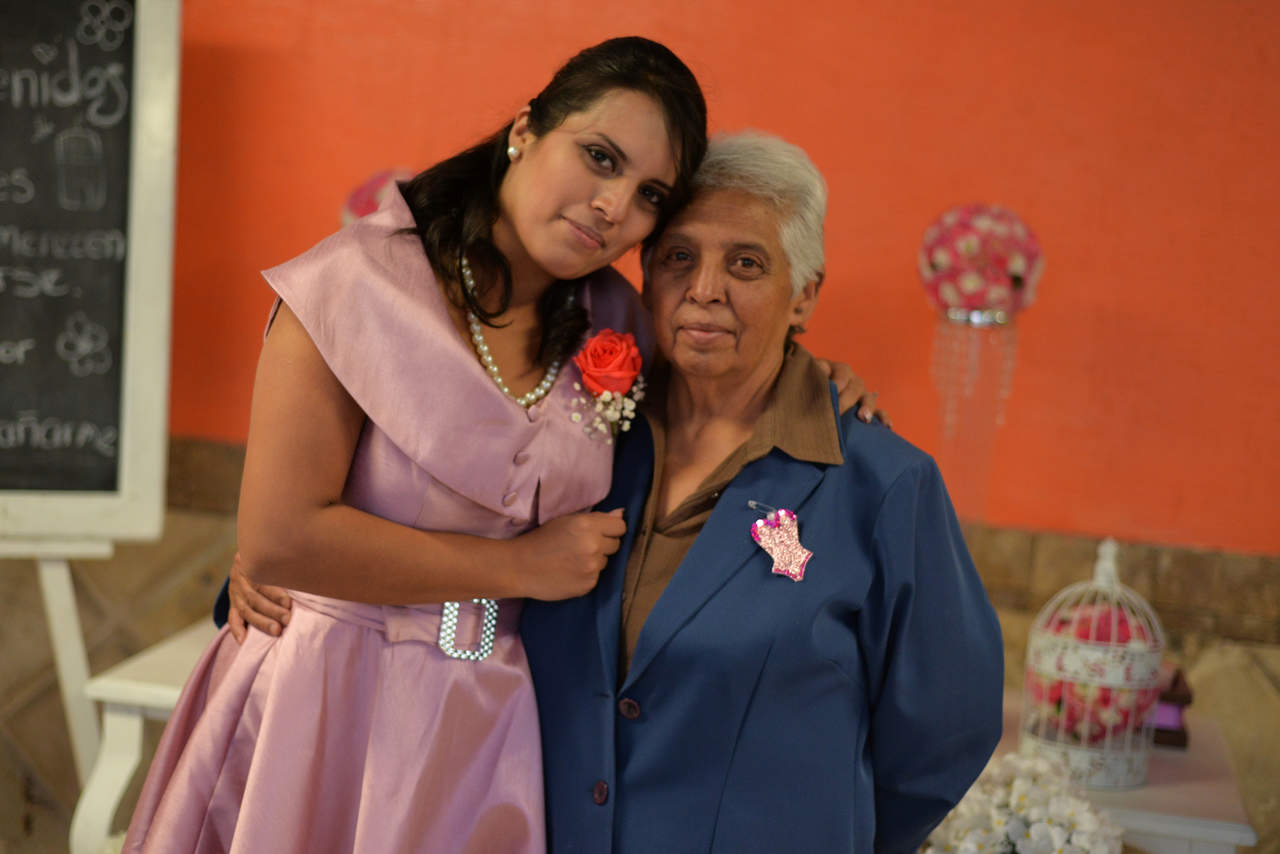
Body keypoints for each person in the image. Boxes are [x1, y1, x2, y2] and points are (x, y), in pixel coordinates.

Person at [122, 37, 710, 854]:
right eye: (599, 157)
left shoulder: (617, 322)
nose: (614, 206)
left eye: (649, 194)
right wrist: (519, 568)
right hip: (321, 701)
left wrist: (822, 384)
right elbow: (281, 538)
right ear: (526, 130)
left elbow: (722, 403)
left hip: (492, 720)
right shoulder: (355, 283)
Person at [519, 132, 1005, 853]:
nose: (704, 289)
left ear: (804, 295)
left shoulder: (884, 484)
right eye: (678, 257)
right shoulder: (580, 440)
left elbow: (946, 732)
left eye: (745, 263)